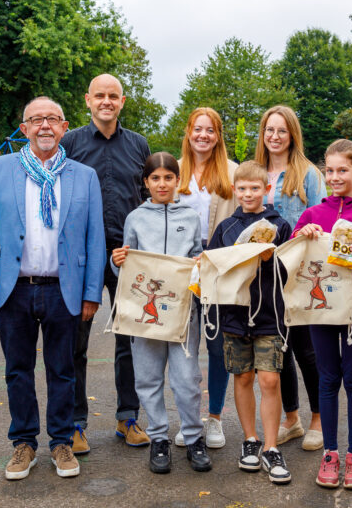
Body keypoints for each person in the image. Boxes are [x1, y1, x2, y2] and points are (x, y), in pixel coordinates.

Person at [0, 97, 106, 480]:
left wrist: (91, 292)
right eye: (37, 120)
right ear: (25, 127)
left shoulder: (84, 175)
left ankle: (61, 442)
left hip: (63, 288)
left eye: (52, 119)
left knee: (63, 370)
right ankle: (24, 444)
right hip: (14, 288)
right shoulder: (0, 169)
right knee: (17, 368)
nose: (45, 126)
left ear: (64, 127)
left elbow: (95, 238)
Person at [60, 73, 151, 453]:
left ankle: (127, 417)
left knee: (130, 339)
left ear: (123, 101)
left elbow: (149, 196)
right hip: (82, 254)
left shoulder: (138, 144)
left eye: (113, 96)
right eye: (100, 95)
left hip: (126, 254)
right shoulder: (71, 142)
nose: (107, 101)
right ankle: (76, 422)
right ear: (88, 100)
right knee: (75, 340)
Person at [111, 152, 212, 474]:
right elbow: (127, 270)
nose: (162, 183)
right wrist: (118, 264)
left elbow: (198, 258)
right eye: (155, 178)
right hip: (145, 314)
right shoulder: (136, 218)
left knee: (186, 379)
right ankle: (158, 439)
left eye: (169, 177)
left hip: (183, 313)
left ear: (177, 181)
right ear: (146, 182)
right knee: (148, 378)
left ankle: (194, 438)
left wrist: (199, 264)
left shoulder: (191, 216)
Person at [291, 139, 352, 490]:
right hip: (321, 310)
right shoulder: (314, 214)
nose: (334, 177)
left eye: (342, 170)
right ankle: (330, 452)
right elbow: (296, 258)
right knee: (327, 380)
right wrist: (304, 235)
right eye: (329, 171)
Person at [207, 161, 293, 485]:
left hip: (271, 315)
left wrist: (272, 259)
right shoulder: (226, 228)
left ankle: (272, 447)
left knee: (270, 380)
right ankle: (250, 440)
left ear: (266, 190)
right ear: (235, 190)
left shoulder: (279, 225)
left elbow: (291, 272)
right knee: (242, 378)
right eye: (242, 188)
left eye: (255, 188)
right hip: (234, 317)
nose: (248, 193)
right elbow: (213, 267)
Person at [255, 105, 327, 451]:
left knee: (306, 351)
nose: (275, 136)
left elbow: (323, 220)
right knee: (275, 352)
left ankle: (318, 420)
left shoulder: (308, 174)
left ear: (292, 134)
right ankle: (292, 419)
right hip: (263, 278)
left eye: (282, 130)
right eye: (270, 130)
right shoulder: (256, 172)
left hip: (297, 275)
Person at [174, 107, 238, 449]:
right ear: (188, 132)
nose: (203, 135)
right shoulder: (173, 171)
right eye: (197, 129)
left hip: (218, 267)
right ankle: (188, 418)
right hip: (181, 268)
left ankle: (214, 418)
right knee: (183, 347)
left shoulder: (232, 172)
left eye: (210, 130)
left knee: (217, 346)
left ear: (217, 135)